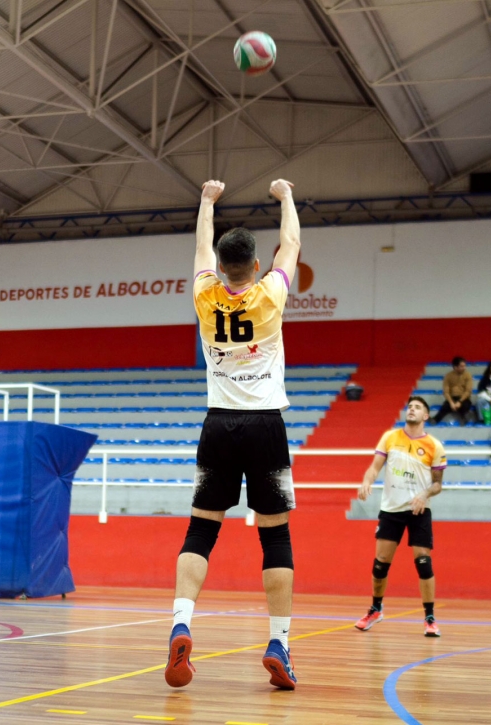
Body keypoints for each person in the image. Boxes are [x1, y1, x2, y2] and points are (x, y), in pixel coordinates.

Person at [165, 178, 301, 691]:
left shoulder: (204, 296)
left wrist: (205, 201)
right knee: (276, 536)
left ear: (220, 268)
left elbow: (200, 245)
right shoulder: (270, 294)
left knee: (201, 529)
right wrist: (285, 197)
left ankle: (181, 624)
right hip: (266, 425)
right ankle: (279, 643)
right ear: (255, 265)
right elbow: (292, 244)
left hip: (216, 423)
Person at [356, 396, 447, 637]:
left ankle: (429, 618)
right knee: (380, 563)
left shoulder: (434, 446)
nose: (412, 410)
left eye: (417, 407)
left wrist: (424, 493)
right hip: (391, 509)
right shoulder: (390, 437)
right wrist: (367, 481)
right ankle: (375, 609)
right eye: (410, 406)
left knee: (423, 562)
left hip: (419, 510)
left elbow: (438, 484)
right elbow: (375, 467)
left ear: (425, 416)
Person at [432, 356, 473, 425]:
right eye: (461, 366)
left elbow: (468, 391)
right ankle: (434, 420)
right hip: (452, 398)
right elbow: (446, 392)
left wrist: (460, 402)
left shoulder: (468, 375)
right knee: (445, 406)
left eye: (464, 366)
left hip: (463, 398)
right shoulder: (448, 376)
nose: (464, 368)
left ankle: (463, 419)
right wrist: (451, 402)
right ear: (455, 367)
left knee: (466, 405)